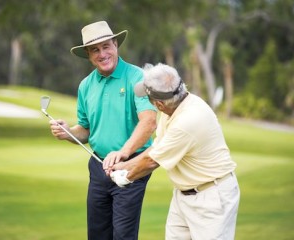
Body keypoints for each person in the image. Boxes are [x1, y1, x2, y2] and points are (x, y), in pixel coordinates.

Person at [49, 21, 157, 240]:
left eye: (106, 46)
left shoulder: (136, 77)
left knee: (123, 235)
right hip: (98, 166)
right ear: (88, 55)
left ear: (115, 45)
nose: (102, 54)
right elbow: (86, 131)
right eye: (95, 50)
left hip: (132, 166)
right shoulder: (86, 85)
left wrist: (123, 153)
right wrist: (69, 131)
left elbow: (149, 122)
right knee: (98, 234)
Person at [110, 63, 240, 240]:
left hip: (212, 197)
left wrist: (126, 177)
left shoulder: (187, 121)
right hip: (183, 194)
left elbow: (152, 162)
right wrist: (123, 165)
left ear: (159, 104)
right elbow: (157, 148)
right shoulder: (172, 108)